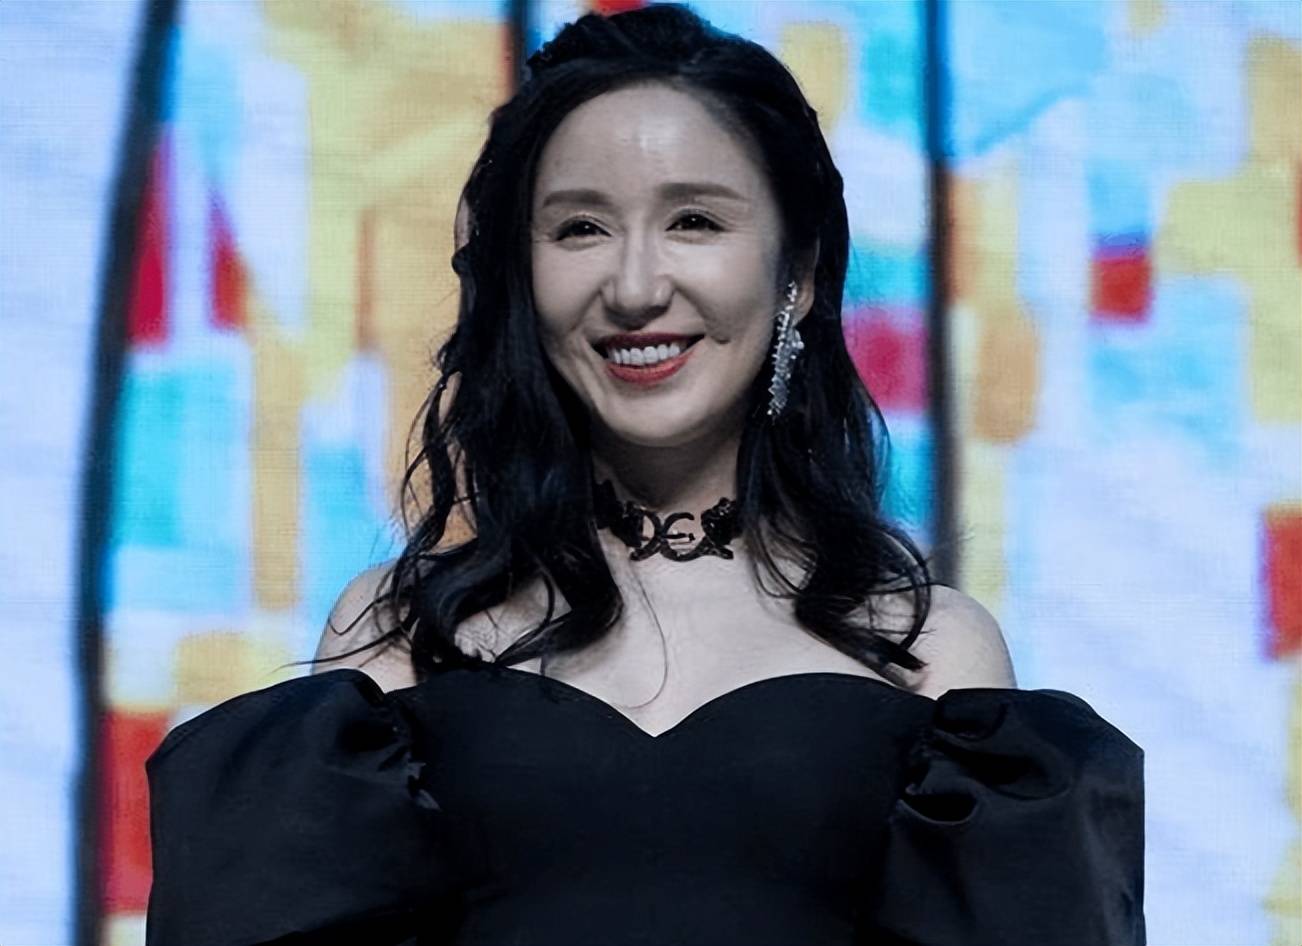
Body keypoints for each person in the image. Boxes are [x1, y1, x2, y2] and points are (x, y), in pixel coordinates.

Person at [145, 6, 1146, 945]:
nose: (634, 287)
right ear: (520, 275)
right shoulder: (400, 635)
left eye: (694, 222)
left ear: (796, 277)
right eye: (580, 228)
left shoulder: (928, 650)